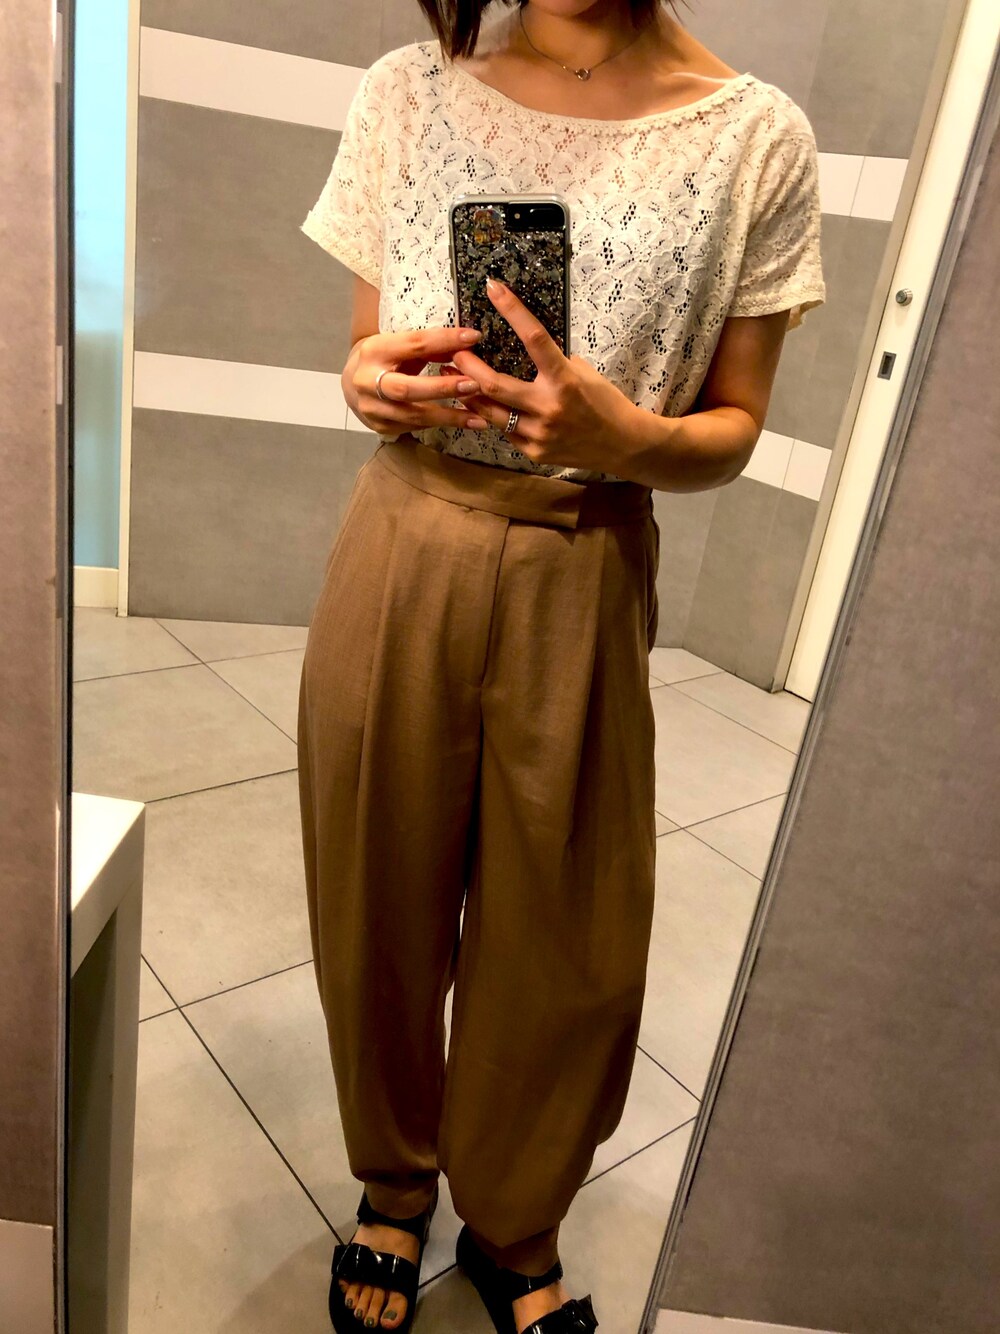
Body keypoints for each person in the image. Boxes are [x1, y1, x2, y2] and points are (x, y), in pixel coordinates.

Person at [297, 2, 826, 1331]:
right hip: (404, 535)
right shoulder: (408, 90)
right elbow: (361, 354)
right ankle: (392, 1183)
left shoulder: (756, 138)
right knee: (376, 889)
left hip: (587, 552)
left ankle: (515, 1216)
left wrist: (623, 435)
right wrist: (371, 384)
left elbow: (735, 426)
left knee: (567, 924)